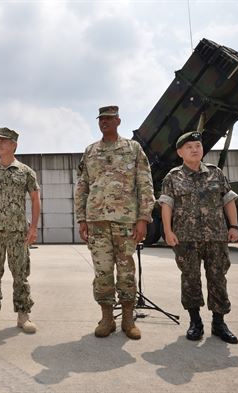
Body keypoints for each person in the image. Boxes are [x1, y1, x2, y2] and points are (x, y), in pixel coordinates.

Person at [75, 106, 155, 340]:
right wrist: (82, 218)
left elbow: (145, 184)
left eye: (109, 119)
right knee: (102, 272)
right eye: (101, 119)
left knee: (126, 271)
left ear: (118, 121)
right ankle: (107, 318)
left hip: (125, 222)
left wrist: (143, 218)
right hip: (96, 221)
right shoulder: (90, 151)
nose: (104, 122)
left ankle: (128, 320)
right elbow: (82, 187)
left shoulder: (133, 149)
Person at [158, 131, 238, 344]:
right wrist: (168, 231)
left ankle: (219, 323)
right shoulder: (173, 177)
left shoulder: (216, 173)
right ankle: (195, 322)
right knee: (190, 280)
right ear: (180, 152)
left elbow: (228, 200)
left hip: (216, 237)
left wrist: (234, 227)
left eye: (197, 145)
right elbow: (166, 205)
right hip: (186, 239)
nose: (194, 149)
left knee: (218, 279)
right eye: (189, 147)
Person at [0, 127, 41, 334]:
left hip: (17, 232)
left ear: (14, 145)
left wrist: (33, 228)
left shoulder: (25, 171)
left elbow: (35, 199)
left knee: (20, 274)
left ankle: (23, 315)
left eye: (3, 141)